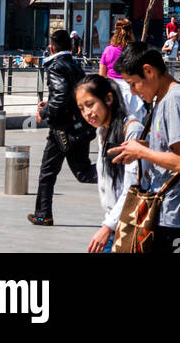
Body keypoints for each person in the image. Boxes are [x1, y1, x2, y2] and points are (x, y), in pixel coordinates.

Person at [111, 42, 180, 254]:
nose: (133, 92)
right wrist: (139, 146)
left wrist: (142, 152)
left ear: (148, 71)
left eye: (133, 84)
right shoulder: (164, 98)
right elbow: (167, 146)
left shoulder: (174, 101)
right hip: (164, 211)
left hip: (170, 214)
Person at [27, 28, 97, 226]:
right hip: (77, 126)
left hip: (62, 129)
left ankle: (117, 174)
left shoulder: (56, 66)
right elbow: (70, 95)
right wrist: (48, 105)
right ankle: (42, 213)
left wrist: (44, 112)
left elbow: (61, 95)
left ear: (51, 47)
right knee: (79, 171)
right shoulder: (75, 66)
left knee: (53, 171)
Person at [76, 74, 143, 254]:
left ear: (108, 99)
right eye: (82, 108)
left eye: (90, 105)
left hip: (127, 227)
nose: (87, 113)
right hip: (114, 223)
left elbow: (132, 188)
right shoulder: (102, 131)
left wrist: (107, 228)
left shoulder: (132, 130)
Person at [99, 16, 136, 83]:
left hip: (113, 87)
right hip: (130, 87)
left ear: (115, 32)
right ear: (130, 32)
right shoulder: (134, 50)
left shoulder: (108, 50)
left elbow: (102, 76)